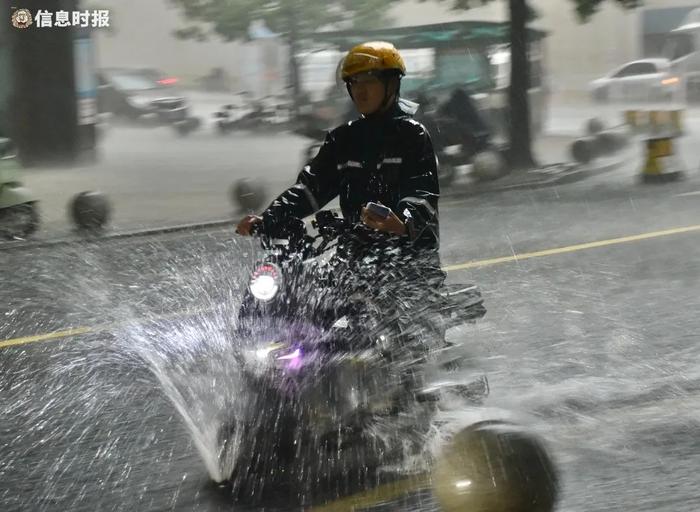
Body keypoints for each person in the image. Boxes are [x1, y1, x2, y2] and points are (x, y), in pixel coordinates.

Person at [235, 41, 441, 260]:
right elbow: (309, 189)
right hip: (355, 255)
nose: (360, 91)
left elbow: (421, 194)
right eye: (354, 82)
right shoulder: (343, 139)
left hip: (410, 256)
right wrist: (269, 218)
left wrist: (402, 222)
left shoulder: (412, 136)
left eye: (369, 81)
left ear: (391, 83)